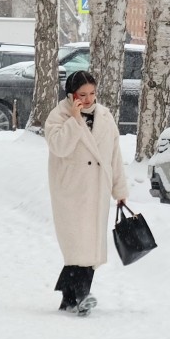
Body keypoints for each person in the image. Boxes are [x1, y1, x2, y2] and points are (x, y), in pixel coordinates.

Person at [45, 70, 129, 316]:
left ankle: (70, 298)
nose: (89, 99)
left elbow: (114, 155)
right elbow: (59, 147)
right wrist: (74, 120)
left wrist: (119, 189)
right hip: (71, 190)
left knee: (89, 246)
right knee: (78, 245)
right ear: (71, 95)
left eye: (92, 93)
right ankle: (82, 296)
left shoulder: (105, 116)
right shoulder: (58, 116)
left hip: (97, 189)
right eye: (82, 94)